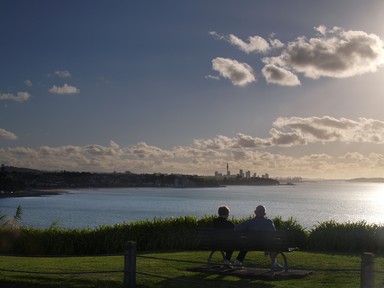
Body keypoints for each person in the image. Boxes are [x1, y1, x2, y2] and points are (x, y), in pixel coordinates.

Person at [232, 205, 283, 270]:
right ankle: (274, 263)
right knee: (273, 243)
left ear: (255, 212)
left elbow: (236, 228)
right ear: (264, 213)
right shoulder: (269, 222)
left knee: (246, 242)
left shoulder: (249, 222)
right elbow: (274, 234)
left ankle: (238, 261)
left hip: (250, 245)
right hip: (266, 246)